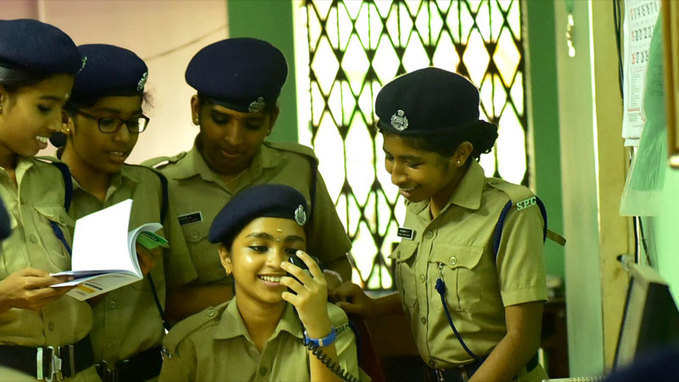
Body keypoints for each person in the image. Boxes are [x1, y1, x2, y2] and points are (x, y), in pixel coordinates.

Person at [332, 67, 548, 382]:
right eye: (390, 157)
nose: (396, 175)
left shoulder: (513, 210)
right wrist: (376, 308)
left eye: (412, 162)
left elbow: (522, 338)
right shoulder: (418, 203)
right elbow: (438, 291)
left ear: (461, 153)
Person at [144, 37, 352, 321]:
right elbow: (160, 297)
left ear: (272, 120)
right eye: (220, 120)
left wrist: (329, 282)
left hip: (295, 345)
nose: (234, 139)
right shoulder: (160, 183)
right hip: (204, 351)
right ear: (196, 111)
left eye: (252, 125)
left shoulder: (298, 169)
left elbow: (337, 261)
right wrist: (266, 290)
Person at [53, 44, 197, 381]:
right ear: (65, 119)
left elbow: (177, 296)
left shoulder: (151, 187)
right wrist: (95, 282)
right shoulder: (36, 192)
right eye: (107, 121)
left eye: (133, 122)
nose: (123, 137)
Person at [158, 184, 366, 382]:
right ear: (226, 258)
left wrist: (318, 331)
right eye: (258, 247)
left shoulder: (331, 323)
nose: (277, 262)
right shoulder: (188, 342)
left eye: (292, 251)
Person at [0, 19, 100, 381]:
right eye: (45, 107)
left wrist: (108, 274)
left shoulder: (55, 179)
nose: (60, 125)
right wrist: (3, 297)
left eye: (63, 108)